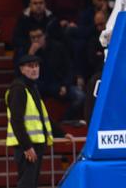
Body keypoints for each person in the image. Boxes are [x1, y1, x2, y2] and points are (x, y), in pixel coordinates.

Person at [5, 54, 53, 188]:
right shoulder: (19, 89)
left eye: (37, 66)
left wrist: (62, 133)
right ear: (21, 69)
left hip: (34, 145)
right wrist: (27, 146)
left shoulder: (32, 88)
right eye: (30, 66)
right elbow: (16, 121)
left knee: (31, 183)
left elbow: (43, 117)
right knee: (27, 184)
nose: (34, 69)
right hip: (26, 146)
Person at [26, 27, 84, 121]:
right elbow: (25, 74)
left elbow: (69, 68)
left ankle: (65, 120)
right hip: (41, 87)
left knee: (80, 96)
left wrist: (65, 85)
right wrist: (30, 55)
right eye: (33, 37)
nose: (36, 40)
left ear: (45, 36)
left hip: (59, 84)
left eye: (39, 36)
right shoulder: (28, 51)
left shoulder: (58, 47)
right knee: (27, 96)